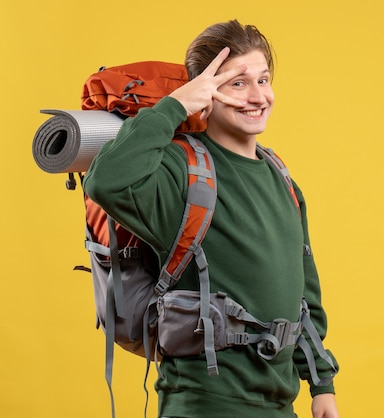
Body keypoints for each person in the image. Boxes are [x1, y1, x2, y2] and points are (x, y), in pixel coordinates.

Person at [83, 20, 339, 418]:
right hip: (204, 405)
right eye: (237, 83)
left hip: (279, 406)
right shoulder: (180, 169)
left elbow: (305, 293)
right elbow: (107, 181)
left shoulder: (281, 177)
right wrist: (176, 104)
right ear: (206, 93)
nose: (258, 96)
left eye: (264, 79)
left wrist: (322, 384)